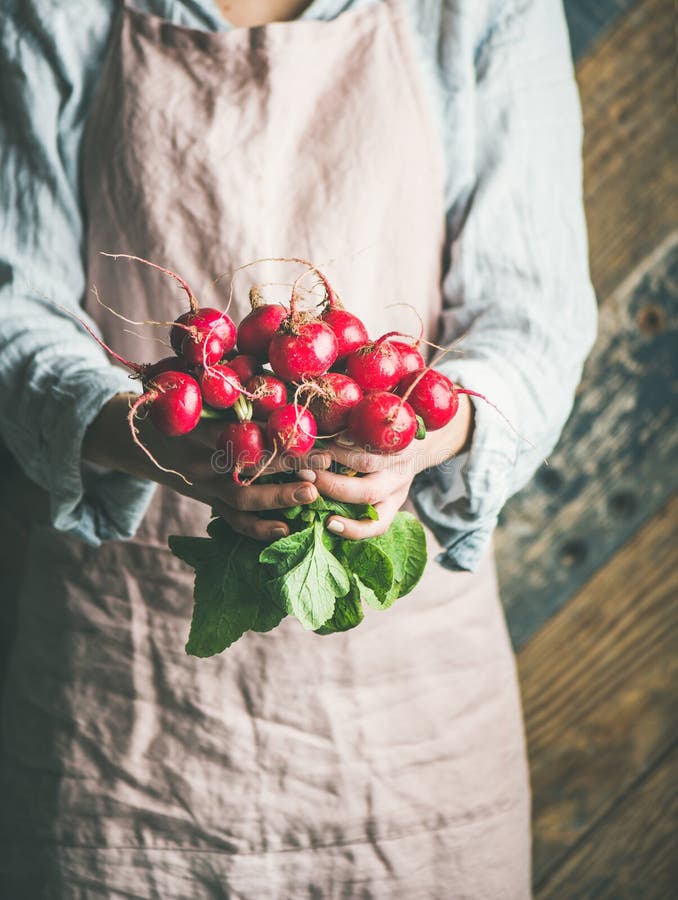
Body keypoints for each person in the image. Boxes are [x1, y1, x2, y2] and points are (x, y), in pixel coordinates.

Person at [0, 0, 596, 896]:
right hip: (119, 731)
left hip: (410, 739)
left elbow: (534, 318)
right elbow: (13, 312)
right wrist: (151, 435)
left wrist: (422, 438)